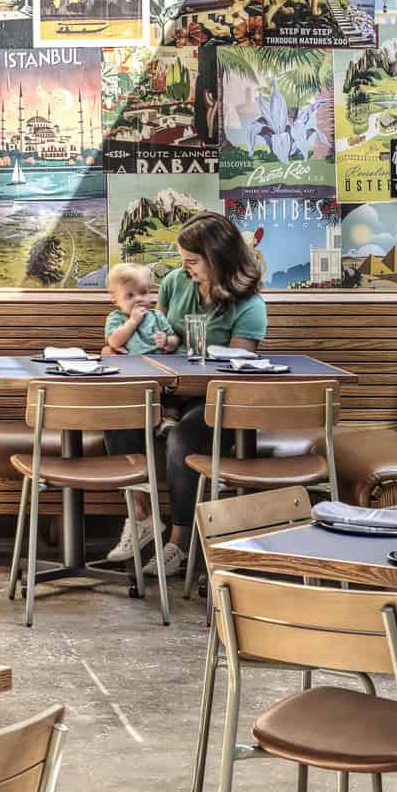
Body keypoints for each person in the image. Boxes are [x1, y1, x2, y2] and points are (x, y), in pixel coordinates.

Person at [104, 215, 266, 577]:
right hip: (169, 395)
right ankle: (142, 517)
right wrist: (120, 349)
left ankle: (179, 541)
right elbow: (153, 334)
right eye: (183, 259)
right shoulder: (176, 283)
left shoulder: (250, 305)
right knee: (120, 416)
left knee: (182, 438)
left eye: (192, 261)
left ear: (218, 258)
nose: (184, 268)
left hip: (217, 404)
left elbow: (237, 374)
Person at [101, 261, 179, 357]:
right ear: (115, 299)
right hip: (130, 364)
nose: (138, 299)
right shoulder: (116, 318)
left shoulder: (157, 316)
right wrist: (133, 321)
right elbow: (113, 342)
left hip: (158, 363)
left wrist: (167, 341)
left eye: (143, 292)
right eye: (130, 295)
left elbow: (175, 340)